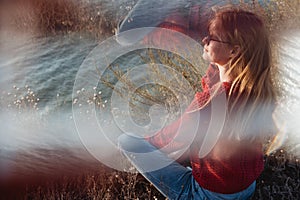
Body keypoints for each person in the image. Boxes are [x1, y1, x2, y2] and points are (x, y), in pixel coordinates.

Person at [118, 6, 277, 200]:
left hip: (207, 195)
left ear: (234, 51)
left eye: (211, 38)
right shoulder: (254, 89)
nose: (205, 40)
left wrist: (146, 142)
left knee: (128, 142)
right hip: (246, 187)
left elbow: (167, 141)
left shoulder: (209, 103)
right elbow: (213, 73)